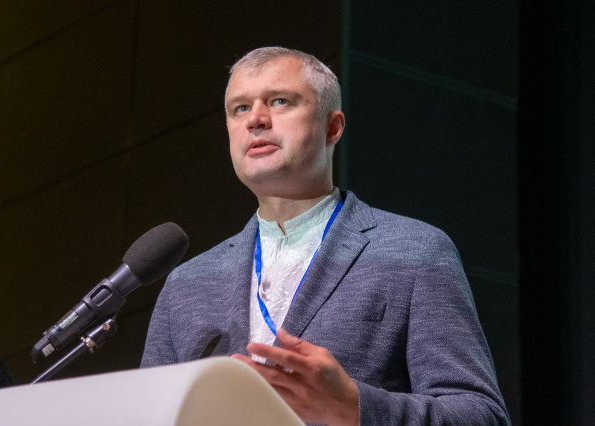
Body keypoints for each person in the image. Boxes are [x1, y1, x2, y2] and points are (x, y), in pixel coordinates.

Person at [142, 46, 510, 425]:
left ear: (332, 127)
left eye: (280, 101)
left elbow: (482, 416)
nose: (255, 119)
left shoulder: (415, 252)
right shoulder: (186, 284)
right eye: (240, 108)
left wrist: (355, 406)